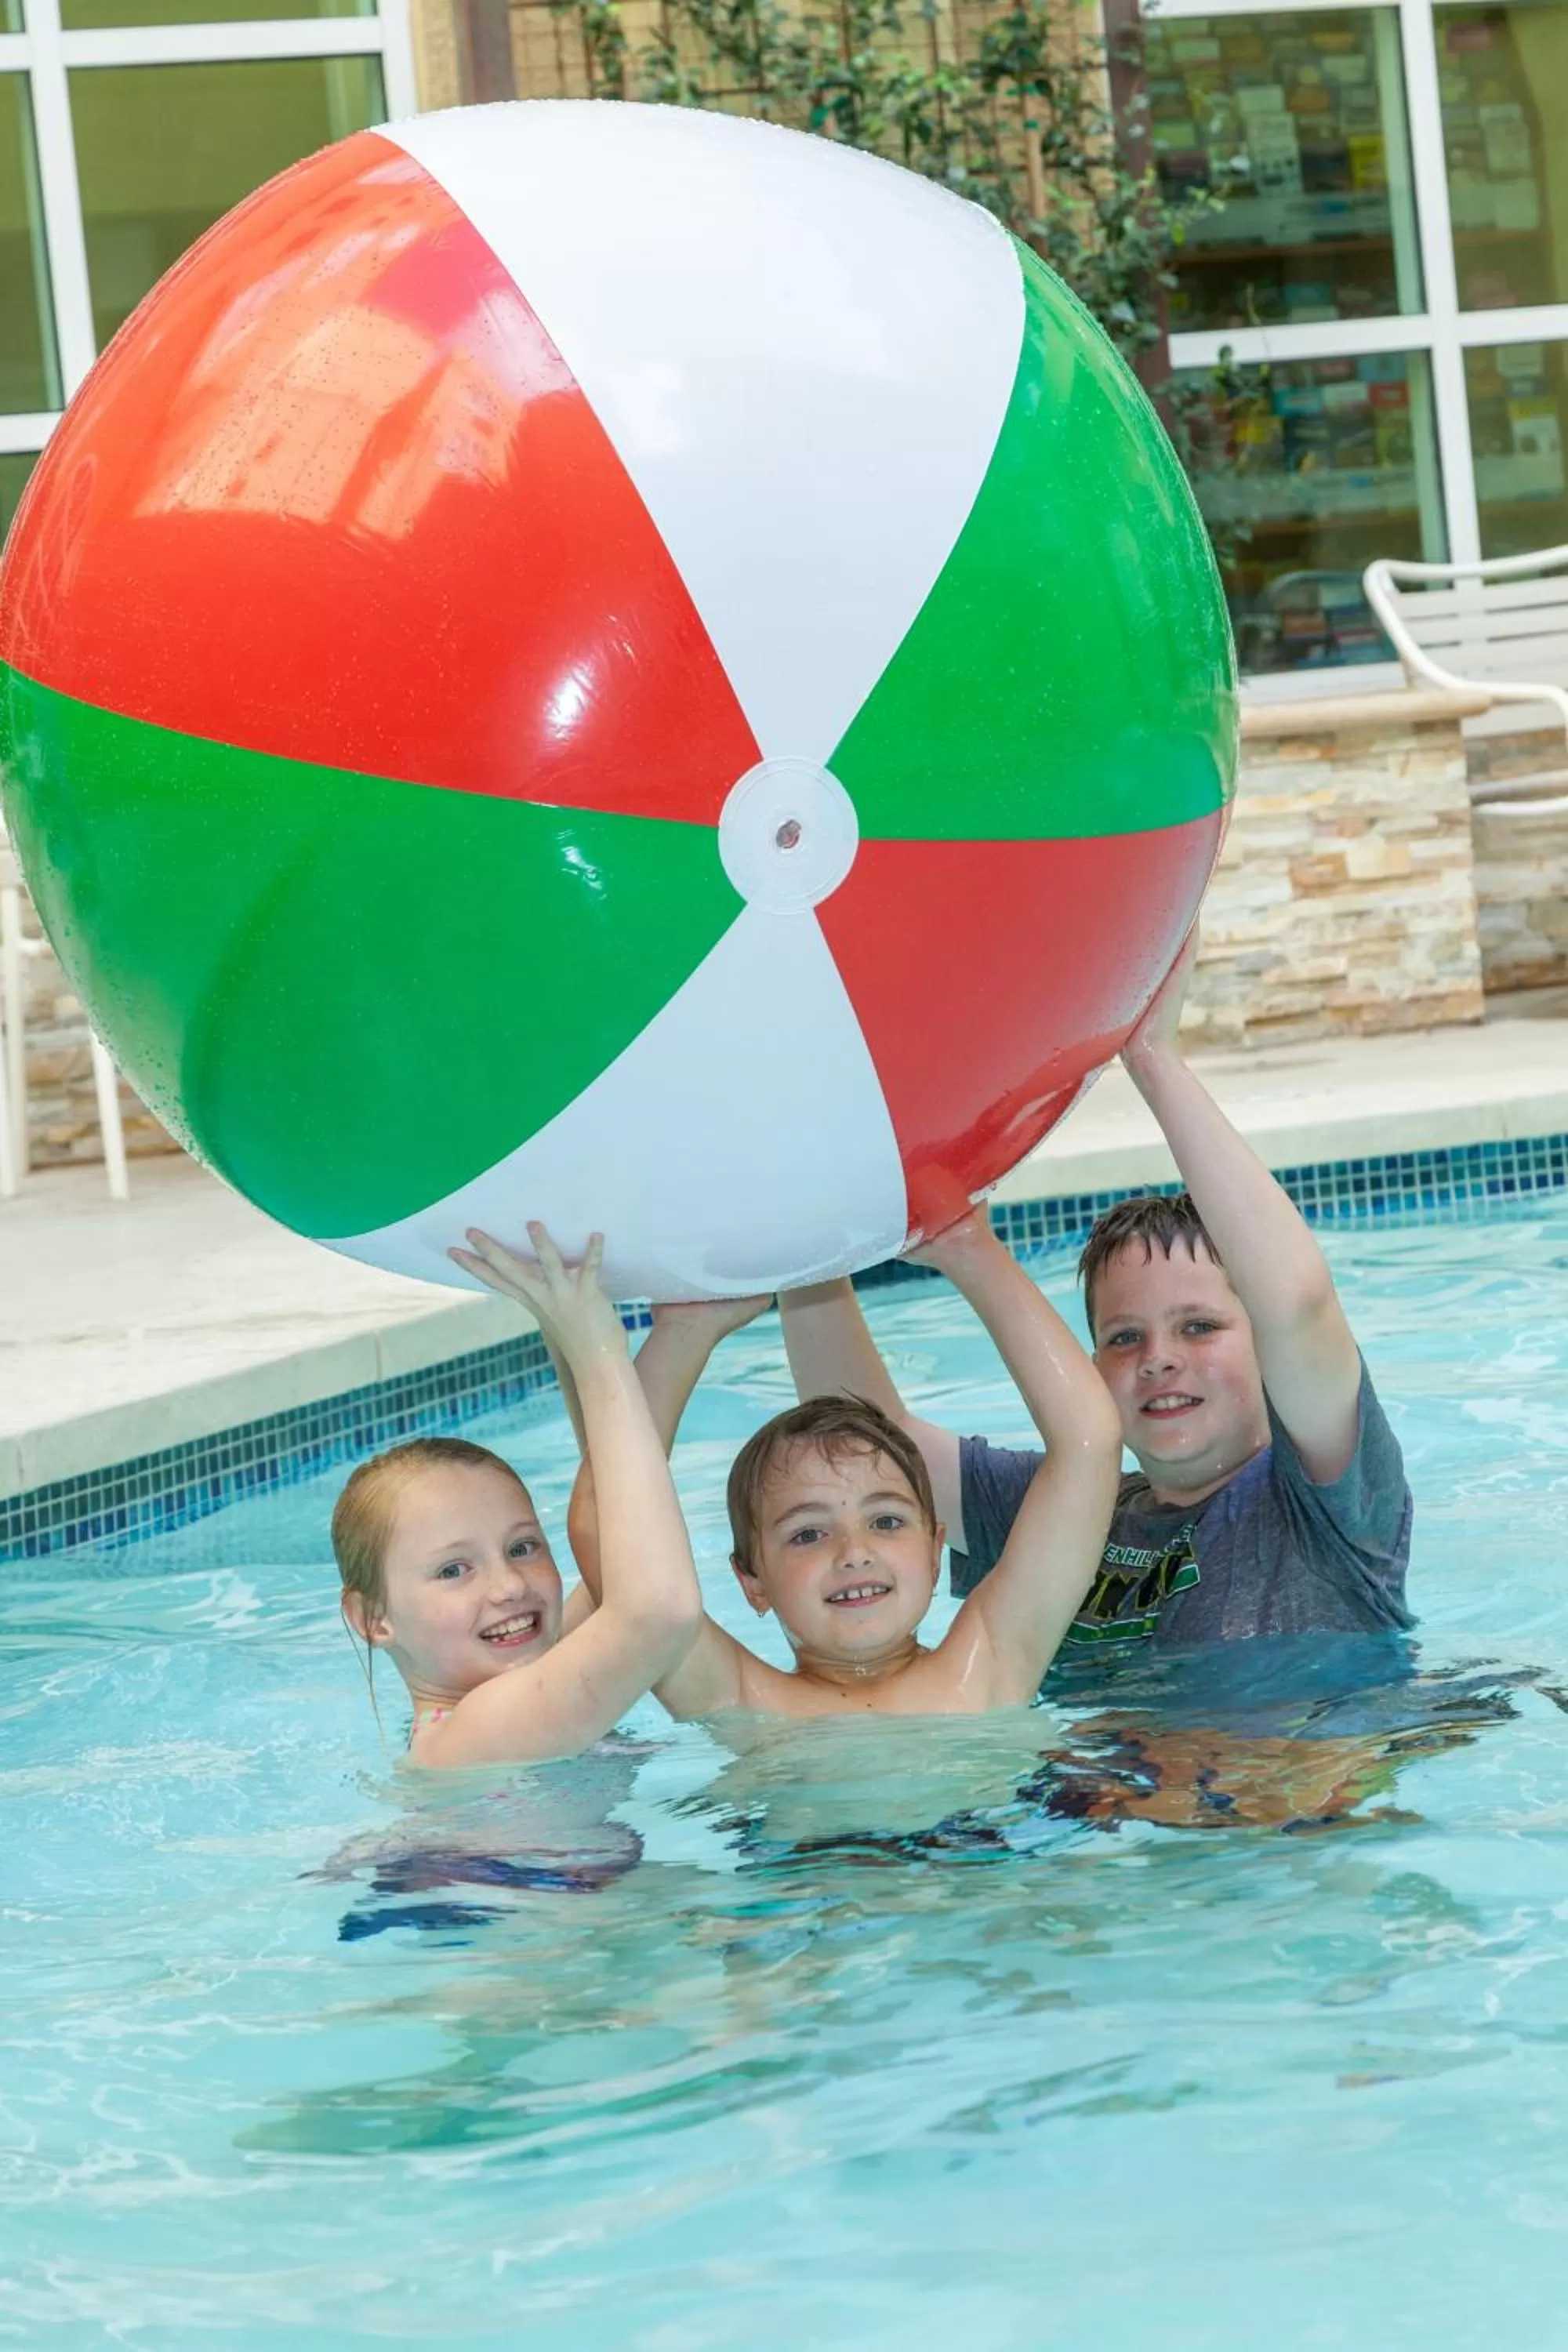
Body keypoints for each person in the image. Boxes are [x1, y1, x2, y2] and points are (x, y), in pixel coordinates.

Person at [779, 938, 1414, 1662]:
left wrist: (1152, 1057)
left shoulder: (1324, 1507)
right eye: (1124, 1338)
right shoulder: (1064, 1507)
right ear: (1088, 1369)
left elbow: (1298, 1303)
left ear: (1266, 1346)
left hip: (1282, 1767)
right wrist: (805, 1239)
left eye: (1199, 1326)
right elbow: (865, 1441)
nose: (1159, 1360)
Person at [466, 1214, 1123, 1721]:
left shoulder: (995, 1658)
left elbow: (1090, 1444)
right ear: (752, 1582)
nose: (854, 1552)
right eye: (807, 1534)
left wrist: (970, 1247)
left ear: (933, 1553)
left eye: (887, 1521)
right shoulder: (739, 1700)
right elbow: (606, 1538)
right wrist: (683, 1334)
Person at [332, 1223, 701, 1767]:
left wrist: (680, 1334)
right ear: (373, 1620)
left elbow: (619, 1553)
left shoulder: (516, 1686)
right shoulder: (479, 1732)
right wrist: (596, 1347)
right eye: (453, 1570)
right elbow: (658, 1610)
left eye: (522, 1547)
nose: (508, 1586)